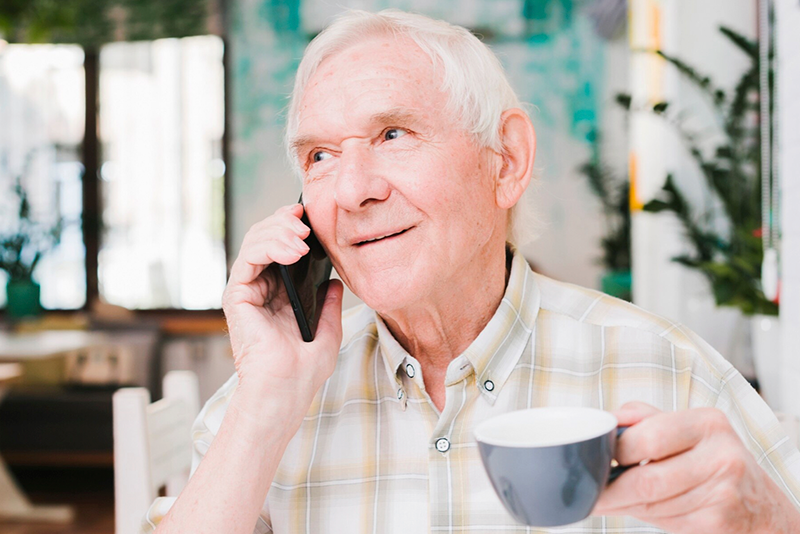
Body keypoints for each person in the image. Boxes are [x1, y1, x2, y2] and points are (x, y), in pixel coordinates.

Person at [142, 9, 800, 534]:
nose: (352, 190)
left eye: (394, 134)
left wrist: (766, 523)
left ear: (507, 160)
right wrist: (268, 400)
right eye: (319, 155)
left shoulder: (672, 372)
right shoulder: (263, 403)